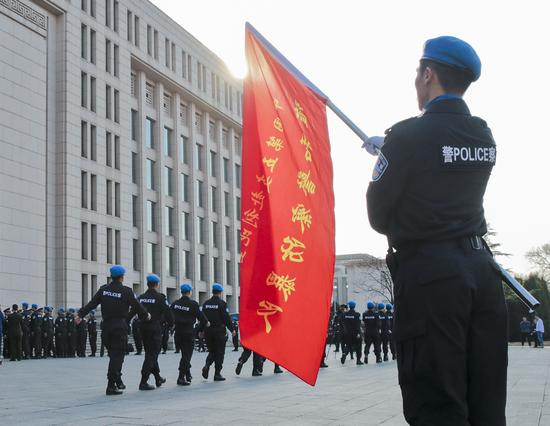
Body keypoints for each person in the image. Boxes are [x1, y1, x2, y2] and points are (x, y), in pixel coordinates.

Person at [366, 36, 507, 425]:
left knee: (436, 399)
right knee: (486, 400)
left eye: (418, 73)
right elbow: (444, 173)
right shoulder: (483, 134)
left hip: (432, 280)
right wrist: (394, 152)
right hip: (482, 274)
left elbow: (379, 217)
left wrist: (388, 155)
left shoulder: (406, 137)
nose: (416, 81)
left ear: (429, 74)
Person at [76, 265, 150, 395]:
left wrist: (80, 315)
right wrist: (146, 315)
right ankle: (111, 385)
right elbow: (137, 306)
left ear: (112, 276)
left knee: (113, 356)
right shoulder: (126, 291)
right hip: (119, 327)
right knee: (117, 357)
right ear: (122, 277)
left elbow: (92, 303)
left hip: (106, 328)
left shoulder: (103, 290)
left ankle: (117, 380)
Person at [128, 274, 173, 390]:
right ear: (157, 285)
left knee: (150, 352)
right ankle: (143, 381)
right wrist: (172, 325)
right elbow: (167, 312)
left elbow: (133, 311)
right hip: (154, 328)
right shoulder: (160, 298)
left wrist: (126, 321)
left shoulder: (141, 297)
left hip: (142, 327)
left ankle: (158, 377)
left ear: (147, 284)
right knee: (152, 354)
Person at [171, 283, 209, 385]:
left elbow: (169, 316)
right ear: (190, 292)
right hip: (188, 333)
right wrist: (207, 322)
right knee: (187, 356)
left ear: (181, 292)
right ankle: (180, 377)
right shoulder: (193, 304)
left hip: (178, 333)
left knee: (184, 355)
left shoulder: (175, 304)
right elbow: (201, 316)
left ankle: (188, 374)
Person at [201, 283, 235, 381]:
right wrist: (232, 329)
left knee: (212, 351)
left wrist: (201, 330)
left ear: (212, 291)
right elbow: (226, 318)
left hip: (208, 331)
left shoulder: (206, 304)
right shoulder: (222, 304)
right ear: (220, 292)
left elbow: (203, 318)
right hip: (219, 331)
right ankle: (217, 373)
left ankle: (207, 364)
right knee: (219, 352)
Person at [340, 301, 363, 365]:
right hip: (356, 333)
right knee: (358, 347)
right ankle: (358, 360)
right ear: (354, 306)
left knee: (348, 345)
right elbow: (358, 324)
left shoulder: (345, 314)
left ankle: (344, 353)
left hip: (348, 333)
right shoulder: (357, 314)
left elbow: (342, 321)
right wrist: (358, 333)